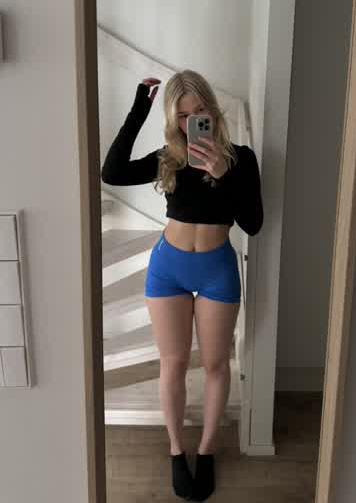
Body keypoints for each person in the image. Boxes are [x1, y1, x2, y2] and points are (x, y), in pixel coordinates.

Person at [101, 69, 264, 501]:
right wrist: (139, 110)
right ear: (174, 120)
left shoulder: (242, 159)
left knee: (215, 364)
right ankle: (176, 450)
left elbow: (253, 224)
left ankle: (206, 450)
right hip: (168, 268)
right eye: (183, 116)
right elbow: (111, 173)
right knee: (172, 363)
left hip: (217, 270)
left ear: (213, 110)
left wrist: (224, 174)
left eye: (200, 111)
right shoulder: (170, 158)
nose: (193, 121)